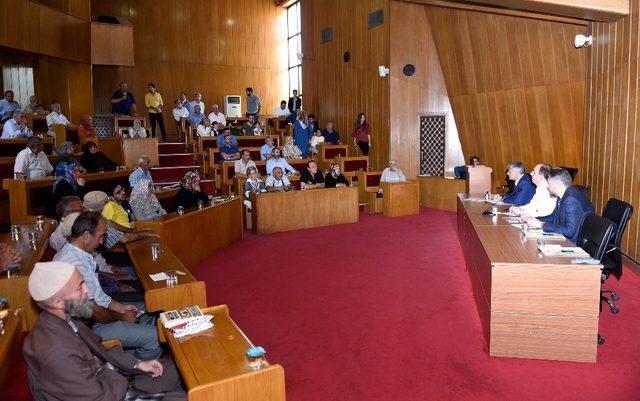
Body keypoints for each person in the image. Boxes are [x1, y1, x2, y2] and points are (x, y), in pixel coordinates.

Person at [23, 261, 186, 401]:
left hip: (110, 383)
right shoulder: (57, 354)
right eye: (80, 287)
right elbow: (101, 397)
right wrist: (106, 368)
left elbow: (101, 349)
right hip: (109, 393)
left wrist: (138, 364)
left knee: (180, 370)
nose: (87, 289)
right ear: (58, 303)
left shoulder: (65, 318)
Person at [53, 212, 162, 360]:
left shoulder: (77, 253)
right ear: (86, 235)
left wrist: (122, 308)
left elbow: (101, 298)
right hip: (90, 327)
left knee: (152, 308)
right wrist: (122, 316)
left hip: (99, 314)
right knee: (157, 338)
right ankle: (132, 369)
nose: (102, 242)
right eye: (101, 236)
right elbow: (95, 312)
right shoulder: (74, 262)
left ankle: (125, 356)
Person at [523, 168, 595, 243]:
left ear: (558, 184)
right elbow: (553, 217)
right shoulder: (563, 195)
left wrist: (542, 225)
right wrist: (533, 219)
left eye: (549, 183)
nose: (547, 186)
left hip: (571, 243)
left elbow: (569, 231)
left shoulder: (571, 200)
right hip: (563, 239)